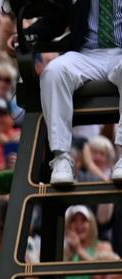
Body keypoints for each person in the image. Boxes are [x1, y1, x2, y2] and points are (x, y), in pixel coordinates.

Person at [38, 0, 122, 185]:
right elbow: (56, 21)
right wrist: (24, 35)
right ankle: (61, 158)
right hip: (86, 54)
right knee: (54, 72)